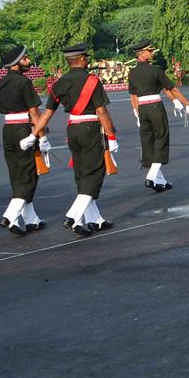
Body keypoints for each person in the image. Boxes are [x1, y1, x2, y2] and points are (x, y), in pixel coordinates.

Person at [34, 43, 118, 236]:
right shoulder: (92, 81)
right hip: (90, 128)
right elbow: (101, 111)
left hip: (72, 129)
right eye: (86, 57)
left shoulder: (58, 84)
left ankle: (93, 219)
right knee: (94, 174)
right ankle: (73, 216)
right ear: (81, 59)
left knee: (81, 174)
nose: (88, 60)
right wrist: (111, 136)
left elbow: (46, 114)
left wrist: (34, 135)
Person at [0, 46, 49, 234]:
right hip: (24, 128)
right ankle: (10, 216)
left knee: (17, 173)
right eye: (25, 58)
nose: (28, 61)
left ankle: (31, 219)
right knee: (29, 174)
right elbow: (34, 112)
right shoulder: (23, 82)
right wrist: (42, 136)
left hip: (8, 130)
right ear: (17, 63)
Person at [128, 40, 189, 191]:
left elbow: (133, 96)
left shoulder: (132, 73)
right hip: (155, 107)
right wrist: (188, 104)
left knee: (148, 142)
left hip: (142, 109)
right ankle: (151, 177)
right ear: (142, 54)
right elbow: (172, 89)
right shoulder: (155, 71)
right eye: (149, 51)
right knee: (161, 139)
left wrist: (136, 112)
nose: (152, 53)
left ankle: (160, 182)